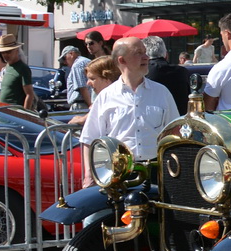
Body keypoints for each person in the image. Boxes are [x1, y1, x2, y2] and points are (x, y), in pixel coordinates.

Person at [78, 37, 178, 166]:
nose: (146, 57)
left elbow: (175, 133)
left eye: (145, 52)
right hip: (118, 170)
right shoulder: (106, 96)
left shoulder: (161, 92)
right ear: (122, 59)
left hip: (156, 169)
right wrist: (89, 176)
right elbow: (89, 138)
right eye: (139, 53)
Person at [144, 35, 192, 112]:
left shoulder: (142, 73)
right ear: (166, 55)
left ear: (145, 56)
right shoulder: (182, 72)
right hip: (180, 120)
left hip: (154, 121)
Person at [0, 34, 39, 112]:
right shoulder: (7, 67)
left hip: (16, 115)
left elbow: (29, 94)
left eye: (8, 52)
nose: (5, 55)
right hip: (4, 113)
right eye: (3, 52)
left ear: (16, 50)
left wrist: (25, 114)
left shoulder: (23, 68)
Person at [68, 56, 121, 124]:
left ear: (107, 79)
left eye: (92, 79)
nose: (88, 83)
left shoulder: (118, 97)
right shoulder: (103, 97)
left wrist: (82, 119)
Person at [63, 46, 90, 111]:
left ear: (71, 54)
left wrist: (90, 105)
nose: (64, 62)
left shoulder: (77, 65)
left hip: (81, 105)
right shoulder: (88, 61)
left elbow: (82, 87)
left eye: (64, 58)